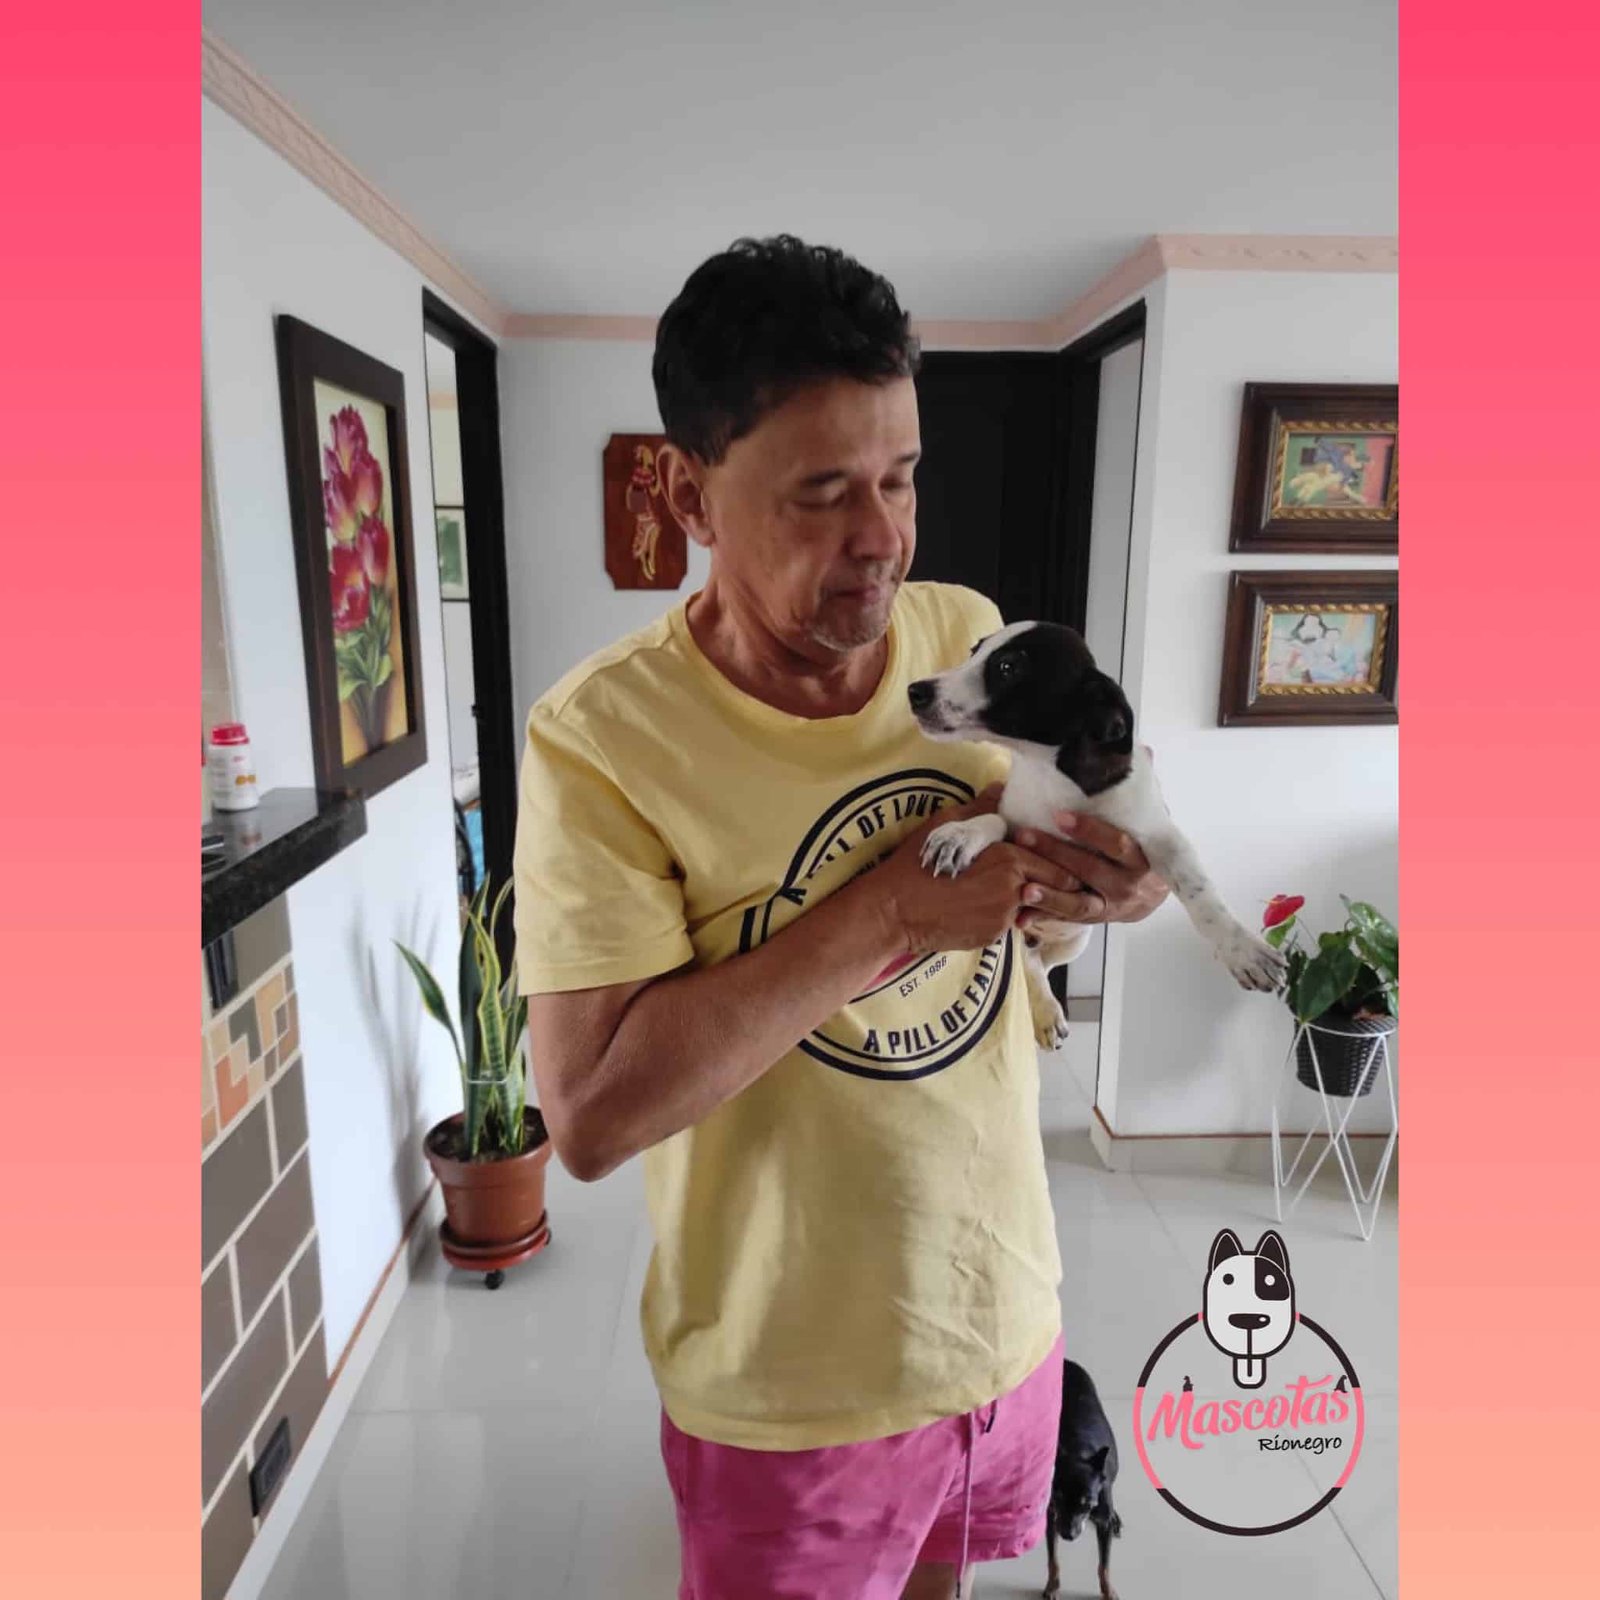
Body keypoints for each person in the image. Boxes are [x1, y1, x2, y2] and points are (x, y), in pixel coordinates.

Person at [514, 235, 1169, 1600]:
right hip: (788, 1392)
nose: (882, 536)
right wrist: (890, 914)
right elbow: (591, 1117)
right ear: (689, 494)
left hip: (1000, 1323)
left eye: (900, 476)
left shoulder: (965, 636)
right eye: (822, 493)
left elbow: (1023, 930)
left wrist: (1104, 889)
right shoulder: (603, 740)